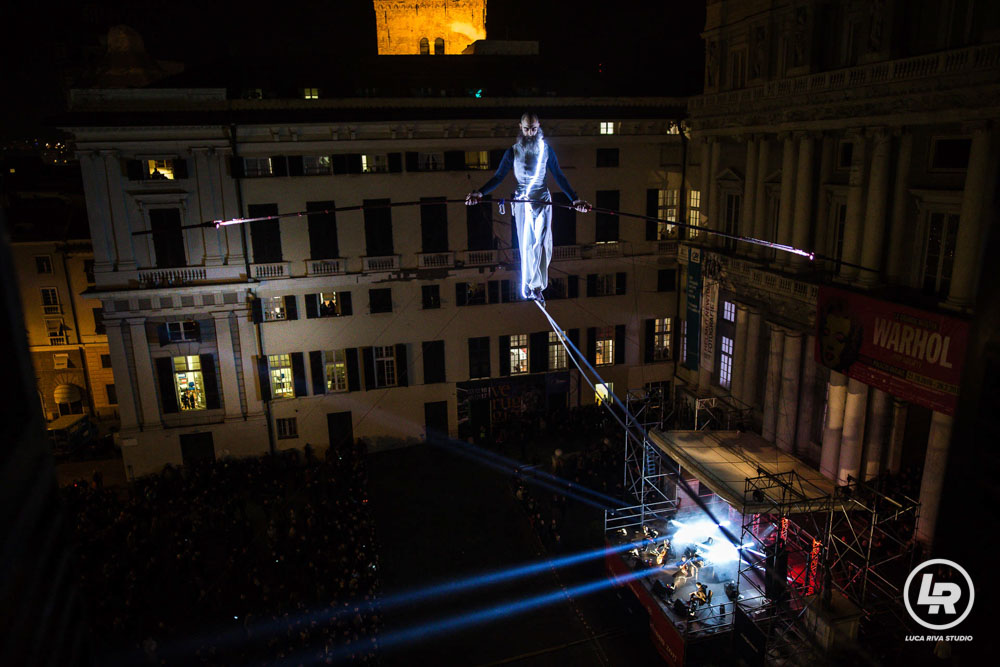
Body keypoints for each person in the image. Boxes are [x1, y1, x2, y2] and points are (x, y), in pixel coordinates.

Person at [466, 113, 591, 303]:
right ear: (520, 127)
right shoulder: (513, 151)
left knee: (541, 244)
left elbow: (559, 176)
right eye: (526, 129)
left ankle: (537, 286)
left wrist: (575, 200)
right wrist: (480, 193)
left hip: (542, 200)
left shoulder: (546, 150)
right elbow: (498, 177)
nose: (530, 133)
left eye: (533, 129)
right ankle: (530, 284)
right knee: (527, 245)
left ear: (539, 126)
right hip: (523, 203)